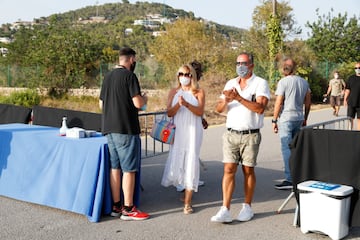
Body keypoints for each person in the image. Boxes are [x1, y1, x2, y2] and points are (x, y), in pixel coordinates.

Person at [211, 52, 270, 223]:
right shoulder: (231, 83)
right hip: (231, 133)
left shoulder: (260, 83)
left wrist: (238, 97)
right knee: (228, 169)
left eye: (243, 63)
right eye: (237, 63)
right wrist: (227, 100)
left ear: (251, 65)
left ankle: (247, 206)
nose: (240, 67)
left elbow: (260, 108)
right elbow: (219, 109)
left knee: (248, 170)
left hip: (250, 135)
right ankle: (225, 208)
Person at [99, 47, 149, 220]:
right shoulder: (130, 76)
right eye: (134, 60)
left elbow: (101, 104)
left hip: (108, 129)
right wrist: (145, 100)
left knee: (115, 168)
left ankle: (116, 206)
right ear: (131, 60)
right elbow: (137, 103)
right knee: (129, 170)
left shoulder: (107, 77)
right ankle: (128, 208)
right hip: (126, 130)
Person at [161, 64, 205, 214]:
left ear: (192, 76)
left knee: (191, 161)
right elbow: (169, 113)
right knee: (180, 161)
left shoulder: (199, 92)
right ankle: (184, 191)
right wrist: (179, 106)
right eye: (181, 74)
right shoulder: (174, 92)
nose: (184, 77)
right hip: (179, 131)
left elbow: (200, 112)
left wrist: (186, 104)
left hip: (193, 131)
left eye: (187, 74)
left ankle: (188, 202)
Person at [272, 57, 311, 190]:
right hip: (299, 118)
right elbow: (308, 102)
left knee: (286, 148)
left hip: (286, 118)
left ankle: (290, 179)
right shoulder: (304, 82)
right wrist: (305, 117)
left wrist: (274, 119)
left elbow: (278, 102)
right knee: (295, 148)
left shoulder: (283, 82)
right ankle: (298, 176)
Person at [344, 62, 360, 130]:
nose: (357, 69)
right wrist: (345, 99)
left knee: (359, 120)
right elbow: (347, 90)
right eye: (356, 68)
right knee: (350, 118)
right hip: (351, 102)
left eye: (359, 68)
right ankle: (350, 133)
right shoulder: (351, 78)